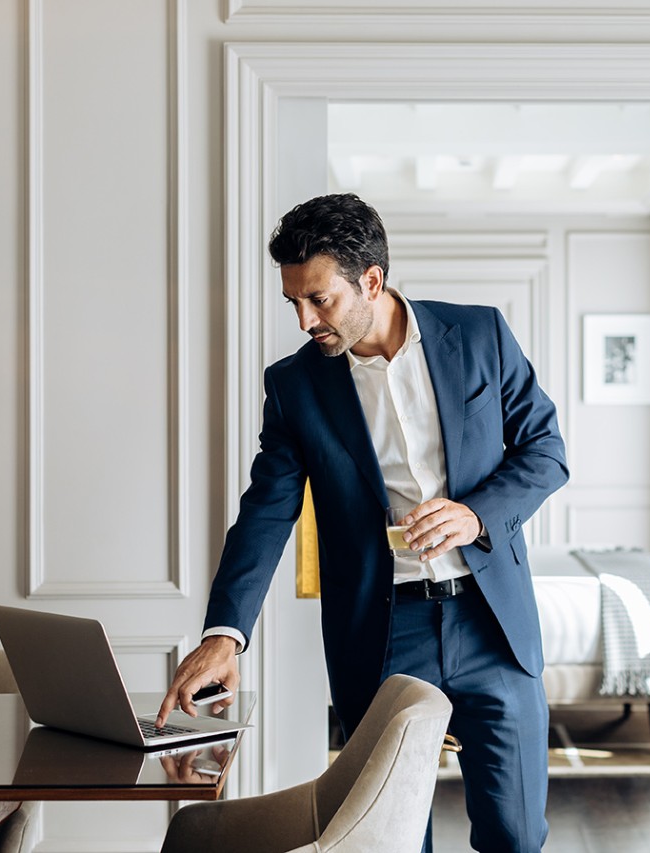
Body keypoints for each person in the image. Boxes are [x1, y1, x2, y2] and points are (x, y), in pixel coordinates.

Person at [156, 193, 567, 852]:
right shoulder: (296, 386)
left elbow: (546, 451)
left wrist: (474, 514)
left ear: (370, 280)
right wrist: (225, 634)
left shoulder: (481, 335)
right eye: (293, 300)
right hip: (383, 632)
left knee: (518, 834)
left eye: (319, 299)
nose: (304, 318)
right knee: (393, 836)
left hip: (493, 624)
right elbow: (266, 509)